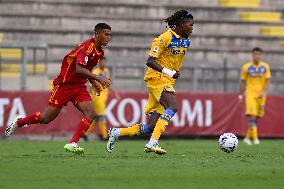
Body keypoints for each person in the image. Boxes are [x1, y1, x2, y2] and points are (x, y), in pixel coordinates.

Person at [5, 23, 112, 154]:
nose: (108, 37)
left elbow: (87, 68)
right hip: (64, 85)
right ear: (97, 34)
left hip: (79, 86)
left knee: (91, 113)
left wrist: (93, 82)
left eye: (110, 35)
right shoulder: (87, 47)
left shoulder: (99, 52)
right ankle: (19, 122)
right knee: (46, 118)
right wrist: (98, 78)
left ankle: (72, 143)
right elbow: (79, 69)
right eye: (106, 34)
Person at [106, 10, 194, 155]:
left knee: (150, 127)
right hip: (156, 78)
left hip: (167, 80)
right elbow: (150, 61)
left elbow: (175, 60)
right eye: (190, 25)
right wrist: (169, 72)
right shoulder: (164, 38)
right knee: (172, 107)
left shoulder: (186, 41)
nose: (192, 28)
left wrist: (174, 73)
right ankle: (152, 143)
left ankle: (116, 132)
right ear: (182, 24)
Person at [83, 57, 120, 141]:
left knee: (96, 117)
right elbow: (91, 85)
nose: (103, 64)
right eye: (102, 62)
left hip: (104, 97)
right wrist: (88, 95)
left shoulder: (106, 71)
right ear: (99, 63)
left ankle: (84, 133)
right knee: (102, 116)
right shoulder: (95, 72)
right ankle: (104, 136)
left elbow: (107, 84)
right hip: (97, 96)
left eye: (104, 62)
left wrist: (114, 93)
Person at [239, 47, 271, 145]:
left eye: (258, 54)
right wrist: (241, 94)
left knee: (257, 117)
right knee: (252, 115)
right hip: (250, 94)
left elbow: (268, 81)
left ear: (261, 55)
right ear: (252, 55)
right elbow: (243, 81)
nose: (257, 56)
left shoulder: (265, 66)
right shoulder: (246, 67)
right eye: (255, 54)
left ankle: (248, 138)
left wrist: (264, 92)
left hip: (261, 95)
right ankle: (255, 139)